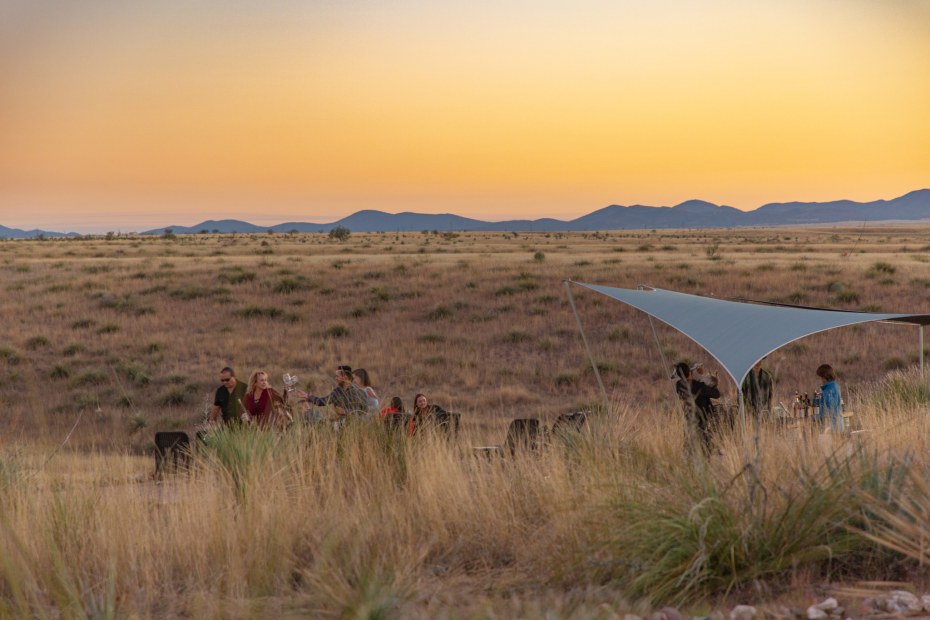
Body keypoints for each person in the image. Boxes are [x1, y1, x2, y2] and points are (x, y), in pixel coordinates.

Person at [673, 361, 721, 453]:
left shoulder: (679, 385)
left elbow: (686, 379)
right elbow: (717, 394)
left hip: (689, 418)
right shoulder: (700, 386)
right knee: (704, 445)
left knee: (691, 443)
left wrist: (692, 372)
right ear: (690, 373)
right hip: (703, 419)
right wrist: (703, 375)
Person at [297, 365, 371, 421]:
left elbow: (364, 410)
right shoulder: (336, 392)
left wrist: (345, 412)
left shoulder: (359, 392)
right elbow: (322, 401)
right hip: (340, 424)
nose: (335, 378)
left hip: (356, 425)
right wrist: (308, 396)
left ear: (345, 377)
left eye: (337, 376)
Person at [816, 364, 846, 433]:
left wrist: (817, 418)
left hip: (832, 426)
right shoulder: (834, 386)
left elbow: (829, 409)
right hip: (837, 424)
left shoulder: (829, 390)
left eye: (821, 377)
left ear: (824, 377)